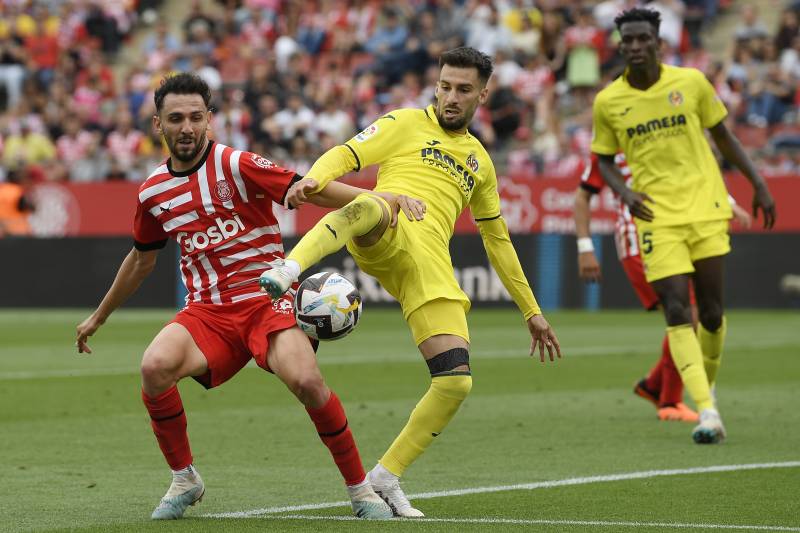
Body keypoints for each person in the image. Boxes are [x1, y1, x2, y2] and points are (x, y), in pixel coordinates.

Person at [74, 73, 424, 521]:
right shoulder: (153, 192)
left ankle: (361, 492)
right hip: (207, 313)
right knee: (154, 367)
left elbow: (306, 187)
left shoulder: (236, 164)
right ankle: (184, 479)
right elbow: (142, 259)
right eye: (176, 118)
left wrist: (377, 196)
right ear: (158, 124)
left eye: (196, 117)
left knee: (307, 381)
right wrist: (99, 317)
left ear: (210, 121)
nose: (187, 127)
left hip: (267, 302)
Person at [259, 47, 561, 517]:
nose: (451, 97)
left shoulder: (480, 162)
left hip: (430, 268)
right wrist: (311, 179)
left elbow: (497, 240)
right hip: (390, 232)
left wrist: (532, 311)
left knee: (455, 382)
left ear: (483, 94)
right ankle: (289, 269)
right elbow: (346, 154)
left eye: (463, 89)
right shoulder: (403, 123)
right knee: (373, 203)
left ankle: (386, 476)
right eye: (444, 86)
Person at [591, 8, 776, 444]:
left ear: (659, 42)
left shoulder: (691, 83)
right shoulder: (608, 102)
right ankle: (707, 412)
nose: (635, 46)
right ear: (620, 45)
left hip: (706, 209)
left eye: (643, 39)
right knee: (679, 311)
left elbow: (724, 136)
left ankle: (704, 388)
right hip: (657, 218)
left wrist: (758, 182)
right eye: (628, 40)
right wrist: (625, 192)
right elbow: (601, 159)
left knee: (712, 314)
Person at [574, 152, 753, 422]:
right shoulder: (613, 144)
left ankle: (655, 386)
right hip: (636, 238)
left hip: (673, 231)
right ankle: (669, 399)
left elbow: (690, 172)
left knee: (692, 314)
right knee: (685, 315)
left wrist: (727, 201)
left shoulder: (662, 133)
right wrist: (585, 248)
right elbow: (582, 196)